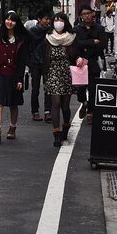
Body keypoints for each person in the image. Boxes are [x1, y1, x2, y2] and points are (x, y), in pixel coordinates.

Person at [38, 12, 79, 148]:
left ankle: (66, 126)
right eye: (55, 20)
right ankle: (56, 134)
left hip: (67, 74)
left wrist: (79, 59)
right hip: (52, 73)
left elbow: (78, 54)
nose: (58, 22)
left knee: (65, 106)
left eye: (61, 20)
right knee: (55, 103)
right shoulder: (48, 39)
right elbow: (40, 56)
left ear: (65, 22)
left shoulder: (72, 38)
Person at [0, 10, 28, 143]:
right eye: (7, 19)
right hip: (0, 74)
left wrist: (20, 79)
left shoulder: (20, 40)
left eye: (13, 20)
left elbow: (22, 61)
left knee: (13, 104)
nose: (9, 22)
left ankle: (12, 128)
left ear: (16, 23)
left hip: (14, 75)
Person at [74, 4, 107, 124]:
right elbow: (76, 44)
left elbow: (102, 45)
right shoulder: (76, 29)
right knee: (80, 88)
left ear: (92, 14)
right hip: (80, 62)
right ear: (81, 16)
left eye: (88, 13)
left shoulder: (99, 28)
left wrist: (87, 47)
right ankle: (84, 103)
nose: (87, 16)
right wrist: (92, 41)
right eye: (84, 14)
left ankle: (90, 113)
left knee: (93, 89)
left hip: (94, 62)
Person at [27, 7, 53, 122]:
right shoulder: (32, 32)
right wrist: (29, 63)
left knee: (48, 88)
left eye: (49, 19)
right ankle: (35, 112)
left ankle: (48, 112)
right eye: (46, 19)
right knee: (35, 89)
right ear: (39, 19)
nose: (48, 21)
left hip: (48, 63)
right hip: (35, 64)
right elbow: (28, 49)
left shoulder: (51, 32)